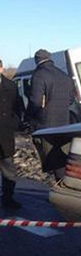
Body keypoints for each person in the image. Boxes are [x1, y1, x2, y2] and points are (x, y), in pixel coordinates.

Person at [26, 49, 76, 181]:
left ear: (37, 60)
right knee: (63, 158)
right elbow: (71, 100)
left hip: (46, 125)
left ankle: (62, 191)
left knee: (54, 161)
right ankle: (67, 185)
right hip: (64, 123)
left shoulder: (39, 75)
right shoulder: (64, 75)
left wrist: (29, 118)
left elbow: (35, 102)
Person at [0, 59, 23, 209]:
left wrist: (13, 123)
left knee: (8, 168)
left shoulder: (11, 86)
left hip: (4, 134)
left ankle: (8, 198)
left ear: (1, 68)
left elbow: (18, 108)